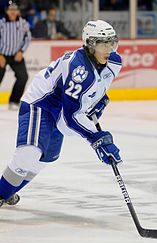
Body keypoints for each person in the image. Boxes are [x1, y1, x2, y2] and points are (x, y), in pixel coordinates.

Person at [0, 20, 122, 207]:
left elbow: (93, 92)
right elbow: (71, 116)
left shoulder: (113, 62)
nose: (108, 49)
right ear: (90, 44)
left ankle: (9, 189)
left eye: (111, 42)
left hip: (63, 107)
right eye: (102, 43)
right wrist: (95, 138)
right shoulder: (79, 69)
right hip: (41, 104)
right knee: (29, 153)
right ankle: (2, 193)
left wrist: (96, 102)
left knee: (46, 158)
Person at [0, 1, 31, 110]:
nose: (12, 12)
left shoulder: (24, 24)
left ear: (18, 11)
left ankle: (14, 100)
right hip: (2, 55)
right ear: (6, 11)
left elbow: (27, 39)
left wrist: (21, 51)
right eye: (10, 10)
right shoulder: (1, 23)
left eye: (15, 10)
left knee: (23, 77)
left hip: (16, 55)